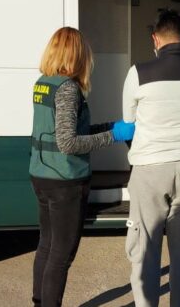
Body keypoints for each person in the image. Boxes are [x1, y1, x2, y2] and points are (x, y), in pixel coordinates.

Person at [29, 27, 135, 307]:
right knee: (61, 255)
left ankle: (39, 302)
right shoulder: (67, 88)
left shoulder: (44, 82)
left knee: (46, 245)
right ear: (76, 55)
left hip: (41, 174)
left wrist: (112, 126)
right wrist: (114, 136)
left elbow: (69, 130)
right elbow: (68, 143)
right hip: (65, 180)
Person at [122, 10, 180, 307]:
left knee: (145, 253)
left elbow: (128, 125)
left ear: (155, 38)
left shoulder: (139, 72)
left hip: (149, 170)